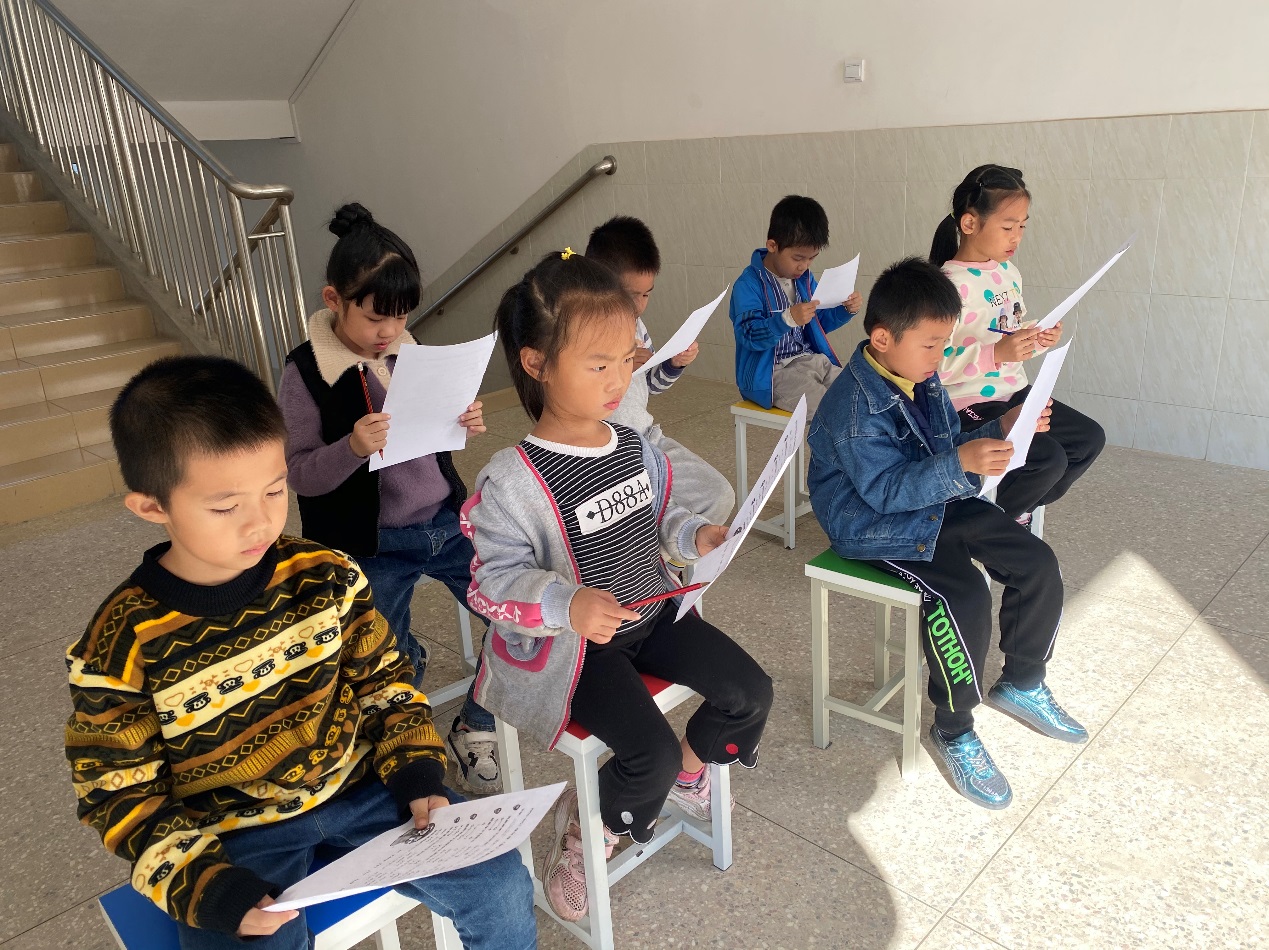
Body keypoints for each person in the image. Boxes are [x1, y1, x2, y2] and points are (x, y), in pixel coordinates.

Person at [64, 355, 536, 950]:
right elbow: (118, 789)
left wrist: (415, 768)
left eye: (273, 490)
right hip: (231, 835)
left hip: (362, 786)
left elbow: (386, 682)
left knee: (499, 883)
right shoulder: (119, 644)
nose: (259, 523)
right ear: (152, 507)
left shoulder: (326, 575)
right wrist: (205, 886)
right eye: (225, 506)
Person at [462, 250, 773, 921]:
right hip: (580, 652)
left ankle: (685, 773)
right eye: (597, 364)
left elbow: (660, 515)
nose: (618, 379)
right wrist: (566, 602)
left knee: (750, 693)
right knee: (646, 753)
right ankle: (586, 832)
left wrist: (696, 535)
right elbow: (489, 585)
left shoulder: (630, 444)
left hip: (654, 615)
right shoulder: (512, 479)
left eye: (626, 360)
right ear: (536, 363)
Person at [807, 258, 1087, 811]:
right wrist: (961, 463)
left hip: (933, 500)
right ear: (882, 338)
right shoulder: (854, 407)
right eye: (932, 345)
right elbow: (884, 492)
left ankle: (1023, 681)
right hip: (874, 526)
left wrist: (999, 427)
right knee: (964, 595)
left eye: (943, 343)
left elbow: (945, 438)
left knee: (1036, 561)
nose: (941, 357)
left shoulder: (919, 374)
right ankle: (954, 729)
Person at [279, 204, 500, 794]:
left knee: (517, 616)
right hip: (368, 541)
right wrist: (351, 447)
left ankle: (475, 723)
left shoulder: (406, 344)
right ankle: (408, 736)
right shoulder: (305, 372)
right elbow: (299, 474)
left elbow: (427, 436)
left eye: (401, 316)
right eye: (376, 317)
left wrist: (462, 420)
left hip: (443, 520)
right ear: (334, 299)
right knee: (385, 664)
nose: (389, 331)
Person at [929, 164, 1105, 526]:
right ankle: (983, 527)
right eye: (1008, 227)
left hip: (1015, 392)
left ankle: (1011, 511)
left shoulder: (1008, 274)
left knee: (1087, 440)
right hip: (969, 404)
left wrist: (1035, 338)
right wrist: (996, 354)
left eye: (1023, 227)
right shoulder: (946, 285)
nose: (1017, 237)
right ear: (969, 223)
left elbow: (1006, 332)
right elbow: (932, 363)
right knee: (1048, 459)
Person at [585, 215, 735, 523]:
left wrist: (671, 364)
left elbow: (650, 385)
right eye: (630, 295)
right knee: (640, 519)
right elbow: (575, 396)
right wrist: (621, 364)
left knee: (719, 496)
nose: (639, 305)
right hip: (601, 450)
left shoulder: (637, 326)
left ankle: (672, 550)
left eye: (647, 294)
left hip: (645, 439)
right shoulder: (582, 331)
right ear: (596, 283)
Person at [730, 194, 862, 415]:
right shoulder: (748, 285)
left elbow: (817, 323)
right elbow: (748, 335)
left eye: (812, 258)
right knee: (833, 410)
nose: (804, 266)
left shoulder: (804, 280)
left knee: (859, 395)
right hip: (773, 374)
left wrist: (845, 309)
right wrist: (786, 319)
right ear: (772, 245)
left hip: (811, 360)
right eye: (798, 258)